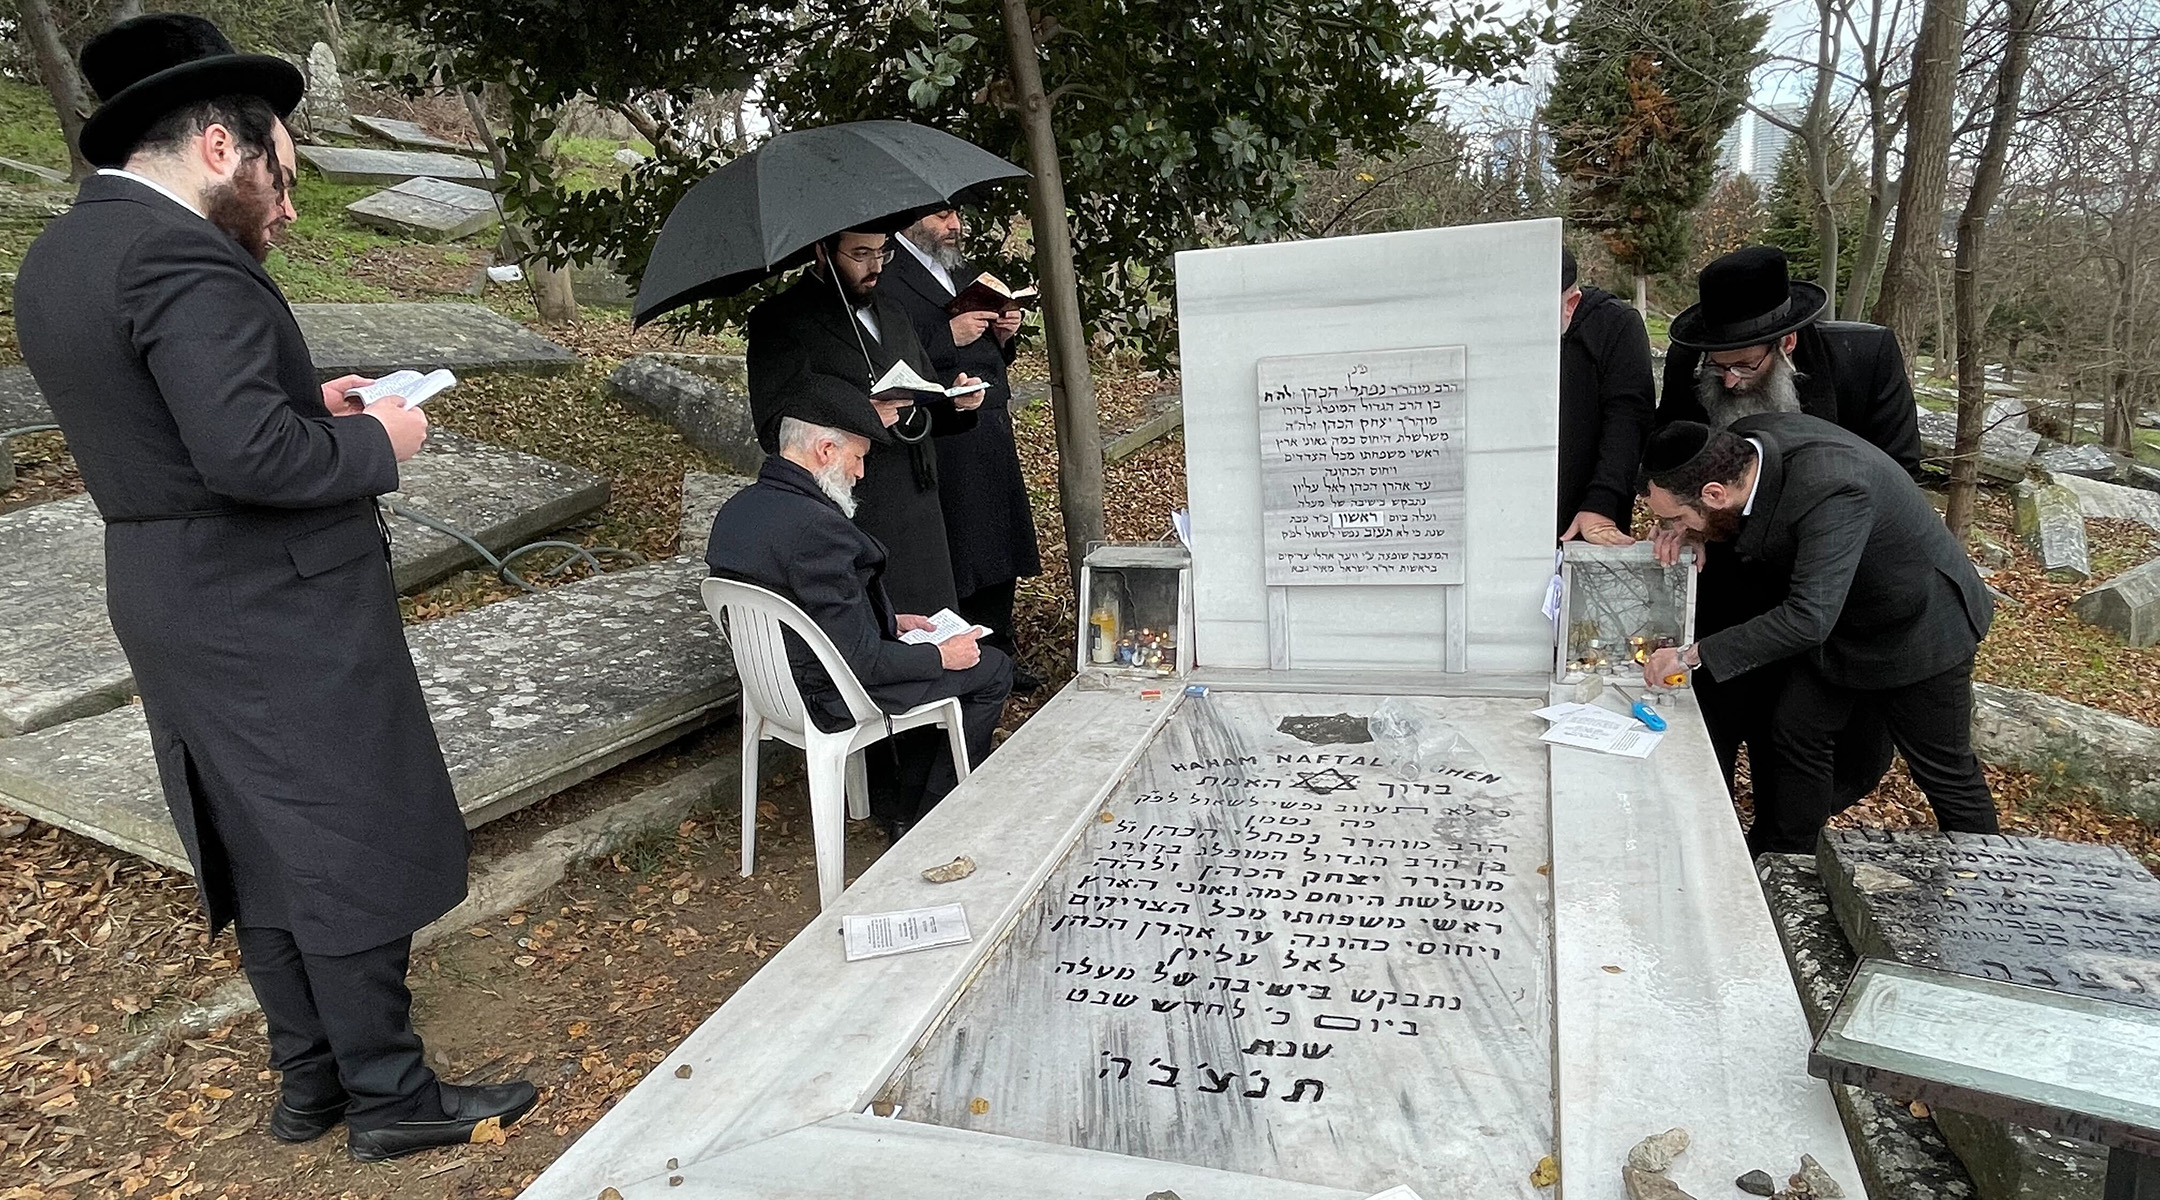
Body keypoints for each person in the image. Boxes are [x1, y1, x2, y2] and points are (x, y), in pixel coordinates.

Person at [12, 14, 534, 1161]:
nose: (283, 204)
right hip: (270, 599)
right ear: (216, 145)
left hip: (166, 585)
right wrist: (382, 442)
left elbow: (177, 424)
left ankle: (314, 1084)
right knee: (338, 837)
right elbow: (246, 459)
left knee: (262, 843)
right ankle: (392, 1097)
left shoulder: (62, 256)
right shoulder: (181, 257)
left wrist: (313, 401)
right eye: (278, 172)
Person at [1639, 416, 1999, 855]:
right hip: (1841, 620)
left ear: (1715, 494)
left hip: (1919, 626)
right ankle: (1788, 857)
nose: (1675, 525)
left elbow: (1808, 617)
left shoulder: (1832, 488)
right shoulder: (1743, 447)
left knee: (1944, 771)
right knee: (1795, 729)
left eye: (1676, 516)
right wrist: (1693, 531)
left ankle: (1984, 880)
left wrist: (1691, 656)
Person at [1655, 246, 1921, 812]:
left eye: (1745, 367)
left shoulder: (1863, 356)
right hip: (1727, 576)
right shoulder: (1690, 361)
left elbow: (1899, 472)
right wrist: (1681, 523)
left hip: (1829, 584)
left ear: (1788, 344)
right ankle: (1712, 837)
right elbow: (1669, 458)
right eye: (1716, 366)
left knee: (1802, 741)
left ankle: (1784, 854)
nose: (1727, 382)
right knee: (1714, 723)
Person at [705, 389, 1012, 841]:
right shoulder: (818, 527)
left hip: (770, 689)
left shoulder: (738, 509)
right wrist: (942, 658)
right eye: (858, 457)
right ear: (826, 450)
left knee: (954, 655)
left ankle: (918, 802)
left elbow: (807, 607)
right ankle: (933, 819)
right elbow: (862, 662)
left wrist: (892, 620)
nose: (861, 471)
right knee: (993, 668)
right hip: (828, 693)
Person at [745, 226, 983, 617]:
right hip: (854, 505)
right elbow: (774, 425)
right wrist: (861, 414)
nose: (874, 267)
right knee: (879, 632)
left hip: (920, 503)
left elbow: (920, 392)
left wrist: (955, 401)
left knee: (936, 627)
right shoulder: (780, 319)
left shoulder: (891, 308)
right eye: (860, 254)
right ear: (822, 251)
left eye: (882, 252)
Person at [888, 207, 1045, 691]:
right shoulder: (890, 278)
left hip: (990, 423)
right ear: (911, 220)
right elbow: (892, 359)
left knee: (999, 542)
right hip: (943, 432)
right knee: (961, 547)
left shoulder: (964, 271)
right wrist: (945, 337)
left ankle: (1001, 652)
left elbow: (987, 356)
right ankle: (963, 658)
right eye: (941, 216)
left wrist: (1003, 334)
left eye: (957, 214)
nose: (954, 225)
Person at [1556, 247, 1655, 543]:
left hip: (1587, 512)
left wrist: (1602, 503)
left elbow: (1628, 420)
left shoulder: (1617, 326)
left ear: (1570, 304)